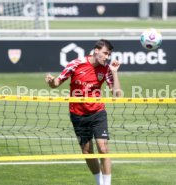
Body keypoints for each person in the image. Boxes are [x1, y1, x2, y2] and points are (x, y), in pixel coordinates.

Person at [45, 39, 122, 185]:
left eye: (109, 54)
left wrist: (114, 72)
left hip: (98, 112)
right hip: (78, 114)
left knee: (103, 148)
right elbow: (56, 84)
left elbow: (117, 95)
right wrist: (50, 81)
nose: (107, 57)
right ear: (96, 50)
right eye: (105, 53)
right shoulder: (76, 64)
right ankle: (99, 182)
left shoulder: (106, 69)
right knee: (87, 151)